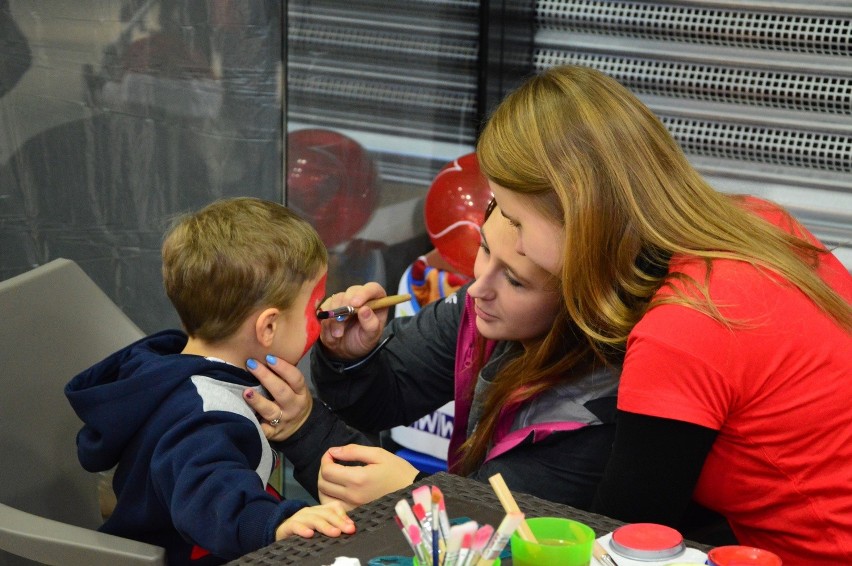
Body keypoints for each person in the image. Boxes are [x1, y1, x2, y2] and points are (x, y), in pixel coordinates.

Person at [475, 64, 852, 564]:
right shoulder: (758, 223)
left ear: (579, 212)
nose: (516, 242)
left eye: (517, 219)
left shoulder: (683, 327)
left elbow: (621, 544)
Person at [246, 199, 620, 510]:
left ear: (579, 298)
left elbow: (497, 532)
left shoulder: (594, 412)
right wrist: (352, 360)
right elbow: (385, 398)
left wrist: (413, 496)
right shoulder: (484, 314)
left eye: (516, 280)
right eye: (485, 248)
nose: (478, 288)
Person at [65, 197, 367, 566]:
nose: (323, 318)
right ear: (268, 327)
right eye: (316, 307)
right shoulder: (207, 413)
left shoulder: (173, 370)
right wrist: (277, 522)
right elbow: (211, 496)